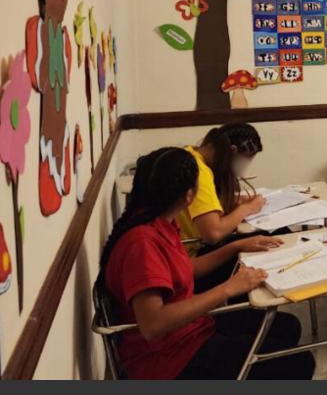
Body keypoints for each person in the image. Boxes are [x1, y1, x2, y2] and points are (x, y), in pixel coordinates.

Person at [99, 147, 314, 380]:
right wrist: (230, 287)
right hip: (172, 360)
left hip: (192, 332)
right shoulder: (141, 243)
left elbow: (185, 269)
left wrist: (235, 247)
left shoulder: (157, 222)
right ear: (189, 196)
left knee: (287, 326)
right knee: (299, 362)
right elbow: (153, 324)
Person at [178, 122, 266, 247]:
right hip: (192, 252)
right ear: (233, 151)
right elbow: (213, 233)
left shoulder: (191, 153)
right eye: (246, 160)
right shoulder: (199, 172)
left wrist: (231, 203)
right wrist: (248, 208)